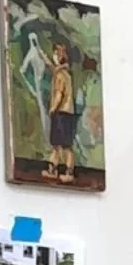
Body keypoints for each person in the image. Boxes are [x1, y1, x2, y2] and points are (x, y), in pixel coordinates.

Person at [44, 41, 77, 184]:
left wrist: (52, 108)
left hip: (60, 112)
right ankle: (54, 169)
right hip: (69, 112)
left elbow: (59, 94)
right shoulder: (66, 74)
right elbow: (54, 68)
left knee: (61, 145)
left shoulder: (59, 76)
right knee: (61, 145)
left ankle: (65, 171)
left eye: (55, 54)